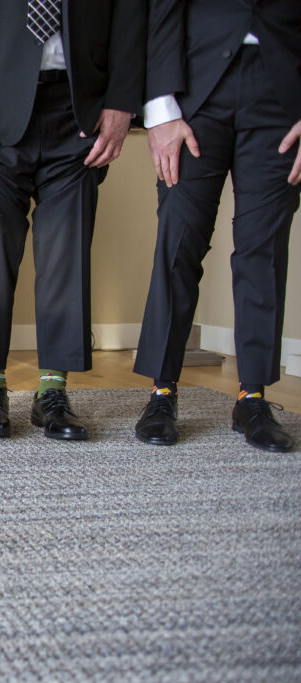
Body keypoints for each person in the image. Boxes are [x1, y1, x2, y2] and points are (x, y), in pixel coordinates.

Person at [0, 0, 144, 440]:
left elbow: (130, 12)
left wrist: (123, 102)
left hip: (81, 105)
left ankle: (53, 389)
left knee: (65, 252)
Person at [133, 0, 301, 452]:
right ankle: (162, 391)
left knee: (263, 250)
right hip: (194, 90)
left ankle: (253, 397)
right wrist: (160, 111)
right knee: (179, 242)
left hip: (284, 94)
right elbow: (161, 9)